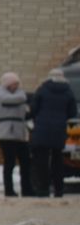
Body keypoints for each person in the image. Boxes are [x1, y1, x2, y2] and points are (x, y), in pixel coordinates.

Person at [27, 66, 76, 200]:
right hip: (59, 130)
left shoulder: (42, 90)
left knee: (41, 161)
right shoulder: (68, 92)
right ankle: (59, 190)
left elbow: (33, 109)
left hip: (42, 129)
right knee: (58, 160)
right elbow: (73, 113)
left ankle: (43, 190)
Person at [0, 71, 33, 197]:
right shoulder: (2, 93)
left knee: (25, 162)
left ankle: (27, 189)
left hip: (20, 133)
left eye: (17, 84)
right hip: (6, 134)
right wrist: (24, 98)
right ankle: (9, 190)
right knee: (9, 163)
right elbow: (9, 99)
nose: (16, 86)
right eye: (14, 84)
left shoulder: (20, 94)